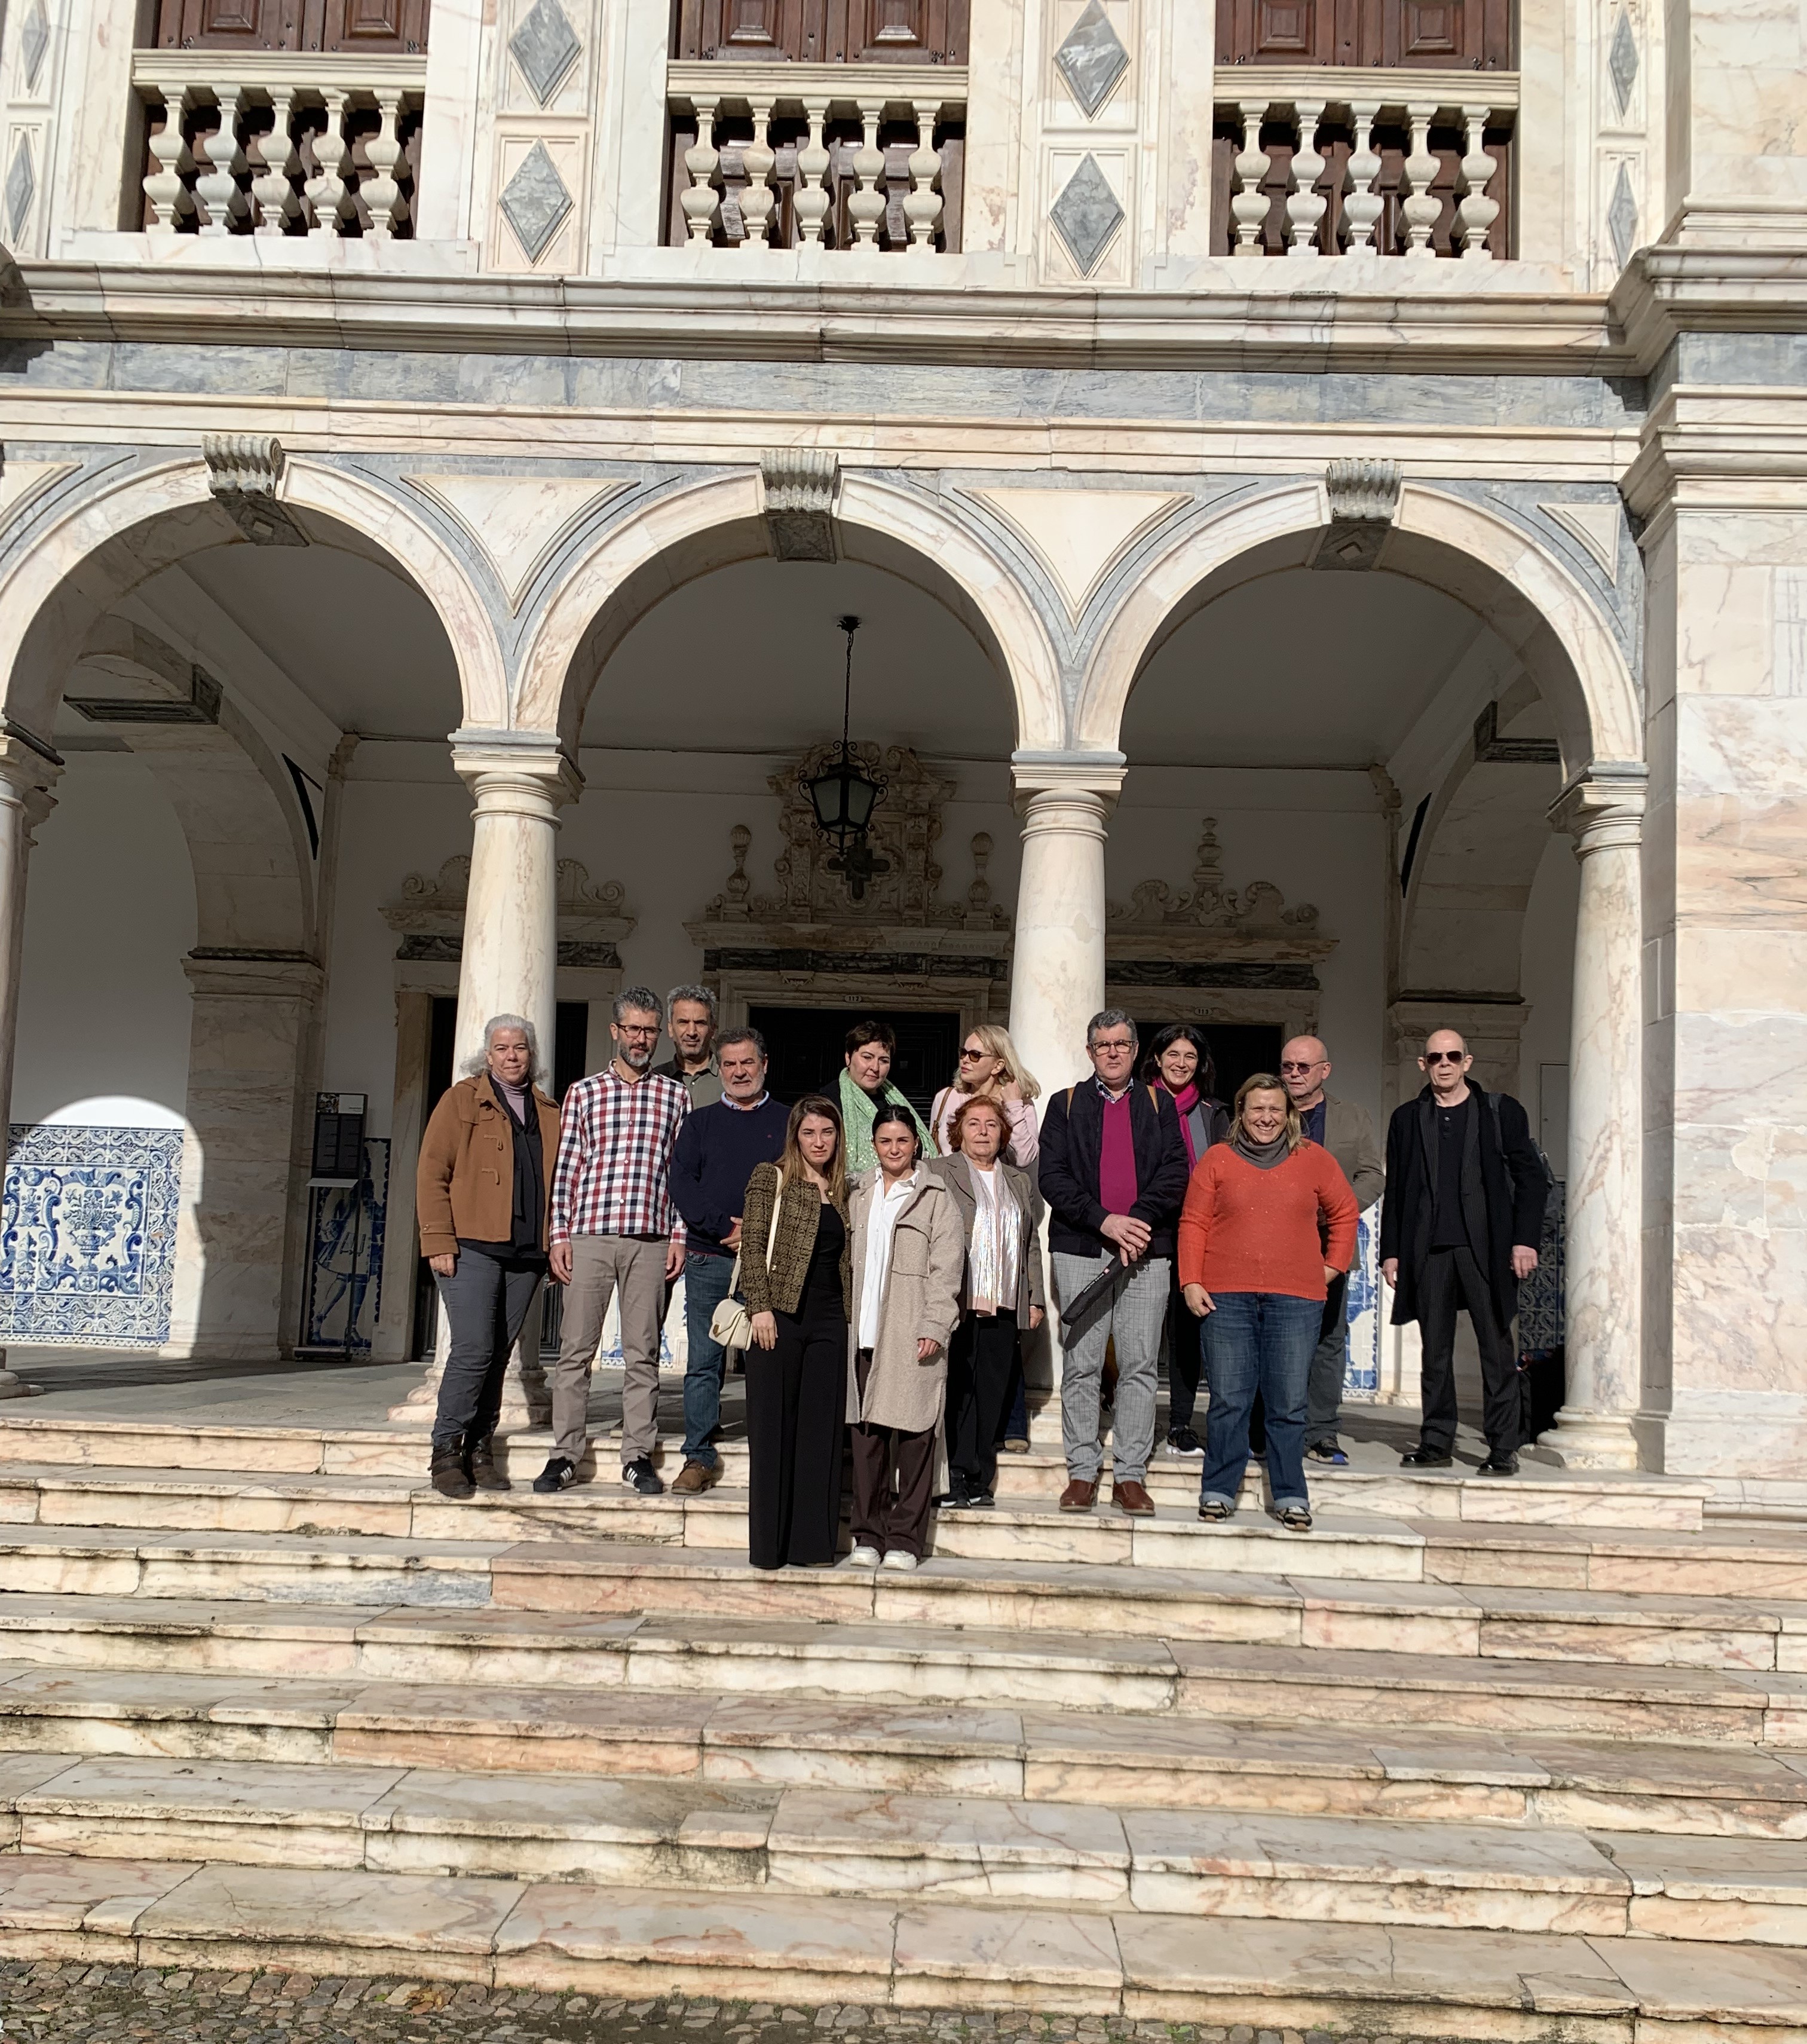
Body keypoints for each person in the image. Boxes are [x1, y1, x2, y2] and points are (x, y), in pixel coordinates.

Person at [1180, 1073, 1359, 1534]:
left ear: (1289, 1114)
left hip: (1295, 1299)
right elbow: (1194, 1222)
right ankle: (1219, 1489)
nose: (1266, 1118)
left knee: (1287, 1403)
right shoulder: (1217, 1160)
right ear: (1242, 1112)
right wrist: (1190, 1280)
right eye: (1257, 1108)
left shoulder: (1314, 1159)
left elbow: (1344, 1212)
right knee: (1229, 1400)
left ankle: (1290, 1493)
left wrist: (1332, 1266)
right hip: (1226, 1296)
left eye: (1275, 1109)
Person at [1039, 1009, 1190, 1516]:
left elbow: (1175, 1171)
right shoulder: (1064, 1105)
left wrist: (1138, 1222)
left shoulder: (1159, 1103)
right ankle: (1082, 1471)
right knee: (1082, 1364)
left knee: (1140, 1364)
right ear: (1089, 1052)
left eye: (1122, 1045)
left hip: (1148, 1249)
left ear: (1135, 1050)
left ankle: (1129, 1474)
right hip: (1082, 1247)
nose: (1112, 1053)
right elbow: (1053, 1179)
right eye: (1103, 1045)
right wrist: (1105, 1221)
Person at [541, 987, 688, 1498]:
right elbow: (568, 1168)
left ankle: (638, 1455)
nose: (641, 1039)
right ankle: (564, 1453)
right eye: (633, 1029)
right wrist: (559, 1234)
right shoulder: (583, 1093)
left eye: (650, 1030)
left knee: (643, 1353)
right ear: (615, 1031)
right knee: (574, 1351)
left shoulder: (675, 1095)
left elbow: (680, 1172)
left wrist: (679, 1234)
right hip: (590, 1235)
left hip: (650, 1238)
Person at [1379, 1029, 1546, 1476]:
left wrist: (1525, 1240)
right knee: (1434, 1350)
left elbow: (1532, 1178)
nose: (1445, 1063)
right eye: (1436, 1057)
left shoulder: (1500, 1112)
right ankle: (1436, 1441)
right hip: (1429, 1249)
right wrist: (1391, 1251)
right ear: (1423, 1064)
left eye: (1454, 1056)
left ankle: (1502, 1448)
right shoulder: (1407, 1118)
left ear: (1468, 1062)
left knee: (1496, 1348)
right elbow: (1397, 1190)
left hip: (1487, 1248)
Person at [415, 1015, 562, 1500]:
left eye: (520, 1048)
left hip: (525, 1252)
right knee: (474, 1348)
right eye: (502, 1048)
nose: (512, 1056)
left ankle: (480, 1449)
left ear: (531, 1053)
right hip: (472, 1247)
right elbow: (433, 1171)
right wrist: (438, 1239)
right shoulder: (462, 1100)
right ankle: (446, 1450)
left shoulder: (547, 1109)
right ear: (488, 1054)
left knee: (500, 1354)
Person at [666, 1026, 789, 1492]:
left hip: (770, 1262)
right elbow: (682, 1184)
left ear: (764, 1065)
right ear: (719, 1069)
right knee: (704, 1361)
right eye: (730, 1065)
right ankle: (698, 1456)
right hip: (708, 1258)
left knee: (768, 1358)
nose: (739, 1072)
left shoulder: (789, 1120)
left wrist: (756, 1233)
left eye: (748, 1063)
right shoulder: (699, 1124)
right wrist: (725, 1227)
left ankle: (771, 1450)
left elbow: (798, 1183)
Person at [844, 1105, 964, 1569]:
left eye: (902, 1141)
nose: (894, 1149)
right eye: (884, 1141)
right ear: (874, 1145)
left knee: (916, 1437)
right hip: (864, 1332)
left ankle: (905, 1540)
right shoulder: (858, 1191)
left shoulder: (936, 1196)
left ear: (917, 1143)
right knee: (868, 1441)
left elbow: (948, 1268)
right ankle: (867, 1536)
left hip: (912, 1331)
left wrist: (936, 1324)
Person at [742, 1096, 851, 1570]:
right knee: (772, 1432)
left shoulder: (846, 1190)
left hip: (831, 1320)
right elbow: (751, 1243)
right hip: (780, 1319)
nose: (819, 1141)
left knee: (820, 1434)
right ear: (796, 1136)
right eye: (810, 1132)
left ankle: (812, 1546)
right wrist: (759, 1307)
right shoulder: (772, 1177)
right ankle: (771, 1548)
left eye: (827, 1132)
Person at [929, 1095, 1046, 1509]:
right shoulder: (937, 1172)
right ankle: (954, 1475)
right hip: (958, 1299)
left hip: (1004, 1300)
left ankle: (981, 1476)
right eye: (974, 1123)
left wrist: (1034, 1298)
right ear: (957, 1131)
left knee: (992, 1389)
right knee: (959, 1388)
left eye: (992, 1125)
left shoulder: (1018, 1181)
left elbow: (1030, 1241)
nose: (982, 1131)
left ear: (1003, 1134)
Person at [1278, 1035, 1386, 1468]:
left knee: (1328, 1338)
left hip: (1329, 1246)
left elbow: (1372, 1176)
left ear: (1325, 1070)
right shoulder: (1265, 1111)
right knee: (1274, 1337)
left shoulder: (1354, 1118)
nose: (1294, 1075)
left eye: (1304, 1067)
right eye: (1288, 1066)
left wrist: (1337, 1212)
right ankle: (1272, 1427)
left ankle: (1321, 1432)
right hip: (1274, 1243)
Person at [1142, 1024, 1230, 1456]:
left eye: (1190, 1057)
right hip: (1146, 1230)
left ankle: (1180, 1422)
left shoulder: (1214, 1112)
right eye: (1173, 1054)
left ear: (1201, 1064)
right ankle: (1132, 1420)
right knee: (1138, 1331)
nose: (1180, 1063)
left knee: (1184, 1331)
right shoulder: (1138, 1104)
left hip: (1198, 1234)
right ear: (1157, 1058)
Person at [929, 1024, 1042, 1166]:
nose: (965, 1060)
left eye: (975, 1055)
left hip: (994, 1185)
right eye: (963, 1053)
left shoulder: (1020, 1104)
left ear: (998, 1066)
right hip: (947, 1184)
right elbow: (933, 1150)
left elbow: (1024, 1159)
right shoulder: (947, 1097)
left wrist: (1013, 1106)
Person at [838, 1018, 935, 1174]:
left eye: (883, 1060)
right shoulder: (831, 1102)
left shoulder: (893, 1101)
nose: (875, 1068)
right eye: (867, 1057)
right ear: (848, 1058)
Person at [653, 984, 724, 1107]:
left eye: (700, 1023)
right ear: (670, 1029)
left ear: (713, 1029)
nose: (691, 1032)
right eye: (683, 1023)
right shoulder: (655, 1079)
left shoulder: (728, 1079)